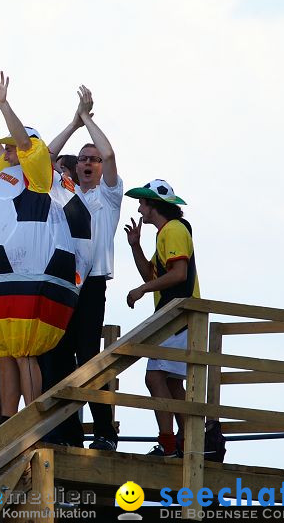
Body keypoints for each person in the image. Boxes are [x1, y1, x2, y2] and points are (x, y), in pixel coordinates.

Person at [0, 73, 92, 422]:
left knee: (24, 354)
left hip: (31, 277)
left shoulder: (37, 172)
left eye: (12, 146)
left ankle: (33, 421)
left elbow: (27, 144)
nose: (4, 151)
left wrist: (4, 104)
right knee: (4, 354)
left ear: (26, 149)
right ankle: (7, 422)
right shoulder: (7, 171)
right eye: (5, 148)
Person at [39, 85, 123, 451]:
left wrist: (88, 118)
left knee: (89, 357)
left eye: (94, 160)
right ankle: (67, 433)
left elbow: (109, 151)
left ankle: (104, 432)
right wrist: (72, 124)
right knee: (56, 356)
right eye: (84, 159)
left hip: (91, 285)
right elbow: (41, 160)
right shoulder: (64, 192)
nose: (90, 162)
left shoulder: (109, 195)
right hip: (62, 286)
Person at [124, 180, 199, 457]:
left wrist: (142, 290)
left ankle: (169, 444)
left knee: (155, 377)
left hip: (176, 316)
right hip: (180, 316)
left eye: (143, 203)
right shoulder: (168, 232)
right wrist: (135, 246)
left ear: (154, 205)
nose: (140, 208)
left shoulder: (174, 230)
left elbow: (177, 274)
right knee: (170, 382)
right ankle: (187, 443)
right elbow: (153, 276)